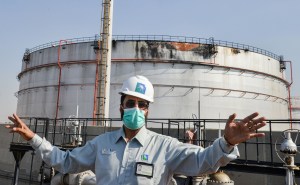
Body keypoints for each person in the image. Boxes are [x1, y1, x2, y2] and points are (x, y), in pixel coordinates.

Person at [6, 75, 266, 185]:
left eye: (143, 105)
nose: (137, 110)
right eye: (131, 104)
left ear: (148, 110)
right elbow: (65, 161)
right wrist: (33, 138)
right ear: (121, 107)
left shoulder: (165, 147)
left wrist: (227, 143)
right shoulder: (102, 144)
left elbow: (202, 163)